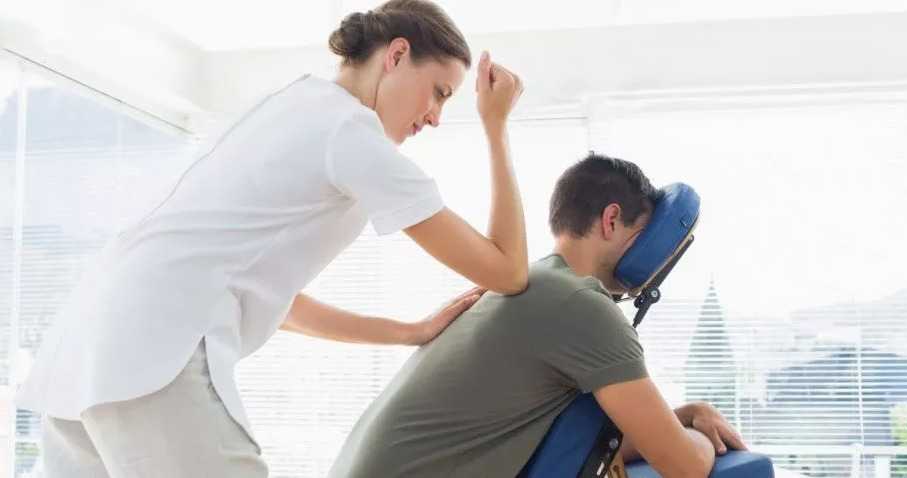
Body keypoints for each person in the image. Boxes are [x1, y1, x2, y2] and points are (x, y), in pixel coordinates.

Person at [16, 0, 529, 476]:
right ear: (397, 55)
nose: (437, 117)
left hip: (81, 352)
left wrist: (406, 331)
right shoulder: (351, 133)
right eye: (439, 92)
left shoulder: (290, 104)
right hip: (154, 353)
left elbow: (273, 300)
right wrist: (496, 125)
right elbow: (506, 271)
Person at [328, 153, 749, 478]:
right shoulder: (582, 307)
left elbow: (577, 438)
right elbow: (684, 466)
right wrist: (702, 437)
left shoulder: (525, 287)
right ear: (611, 219)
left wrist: (686, 413)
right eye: (642, 234)